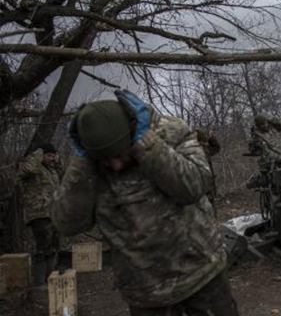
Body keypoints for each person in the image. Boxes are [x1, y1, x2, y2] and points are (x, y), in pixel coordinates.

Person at [52, 90, 238, 316]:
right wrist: (82, 162)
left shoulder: (171, 131)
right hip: (145, 290)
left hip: (201, 272)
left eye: (120, 154)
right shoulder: (88, 164)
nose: (116, 165)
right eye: (106, 160)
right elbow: (67, 224)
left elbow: (194, 187)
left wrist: (147, 144)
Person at [17, 143, 62, 287]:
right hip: (38, 213)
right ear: (41, 155)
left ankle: (51, 277)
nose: (51, 158)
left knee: (53, 245)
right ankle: (39, 281)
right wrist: (38, 154)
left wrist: (57, 160)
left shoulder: (51, 169)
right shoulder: (31, 166)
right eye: (49, 155)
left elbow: (63, 173)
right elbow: (28, 170)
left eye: (53, 155)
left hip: (52, 212)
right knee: (42, 247)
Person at [196, 128, 221, 213]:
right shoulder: (199, 149)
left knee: (209, 200)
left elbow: (216, 147)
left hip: (206, 180)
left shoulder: (204, 148)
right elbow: (217, 147)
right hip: (201, 181)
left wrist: (211, 137)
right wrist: (211, 137)